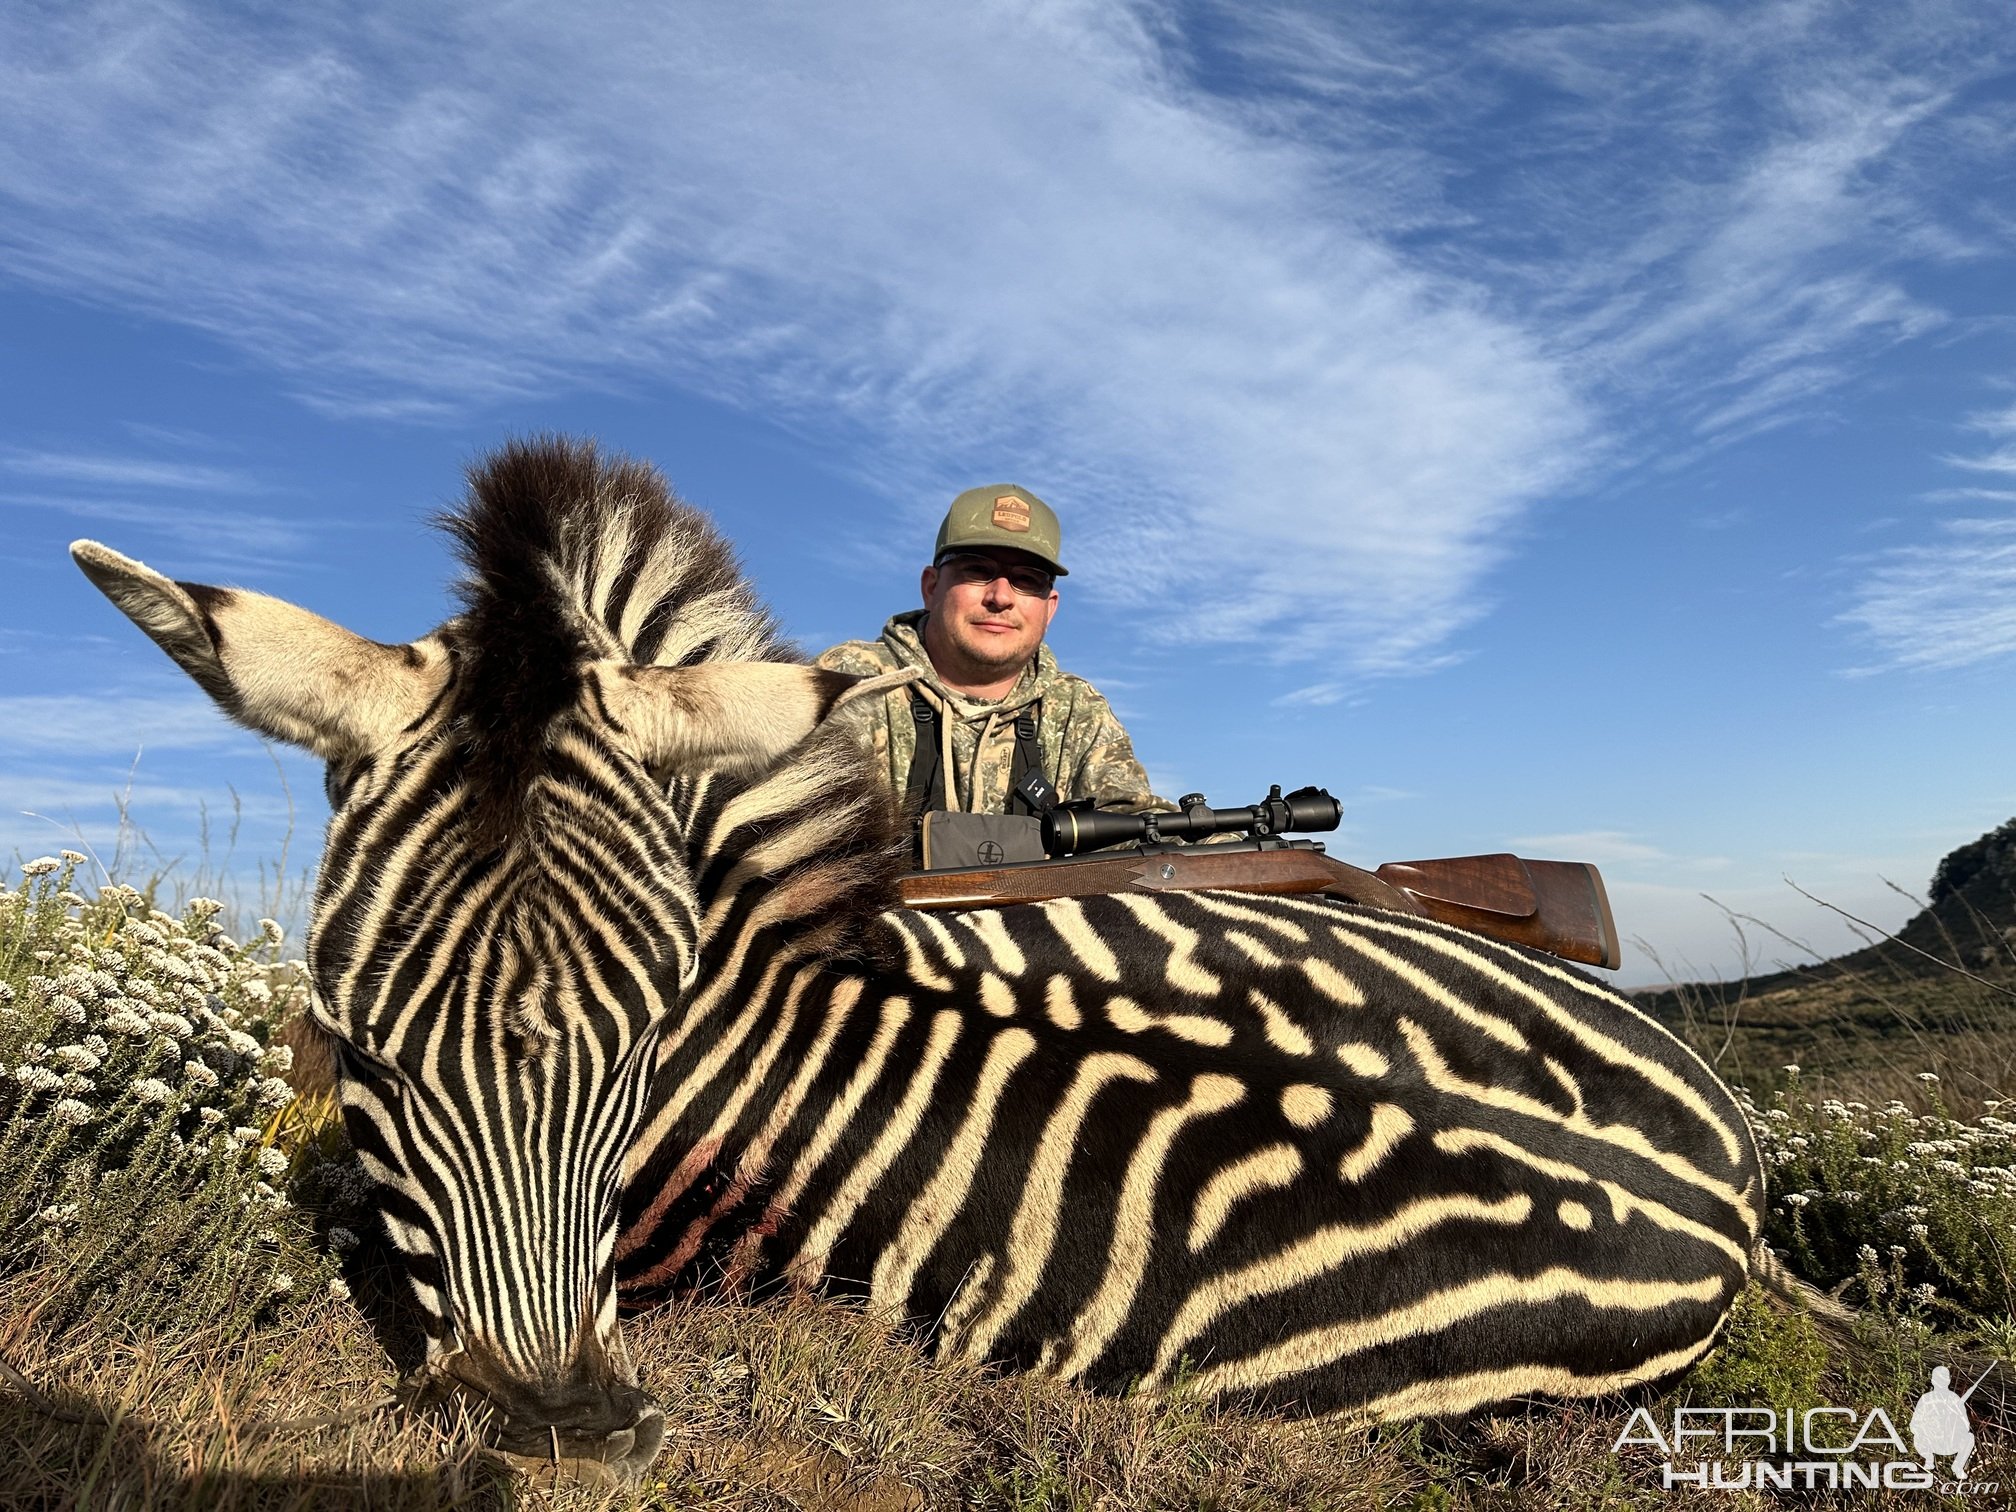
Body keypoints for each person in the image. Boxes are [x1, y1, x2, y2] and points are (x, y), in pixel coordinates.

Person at [815, 485, 1162, 840]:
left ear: (1050, 607)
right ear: (931, 587)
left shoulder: (1078, 709)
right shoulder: (851, 679)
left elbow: (1138, 823)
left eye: (1027, 580)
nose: (1000, 597)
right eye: (977, 571)